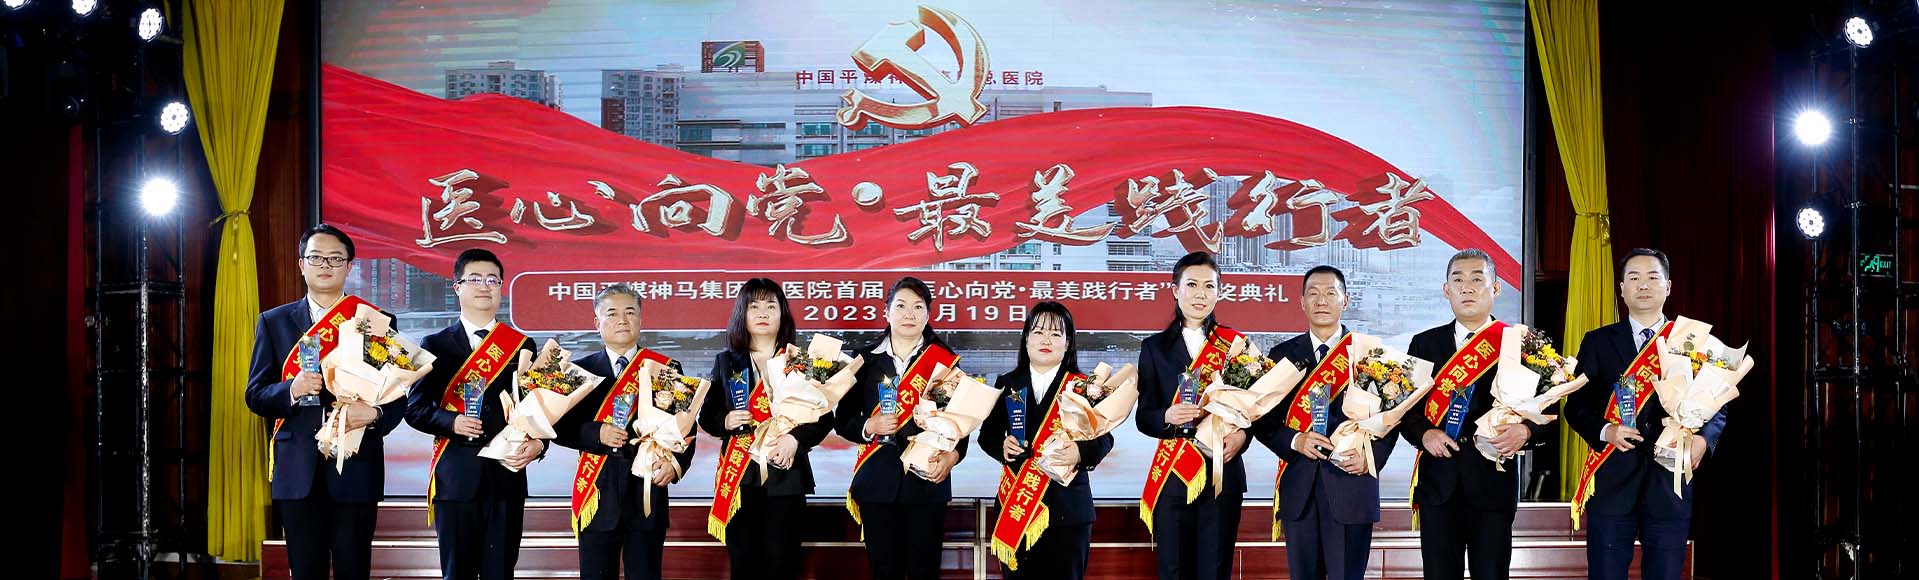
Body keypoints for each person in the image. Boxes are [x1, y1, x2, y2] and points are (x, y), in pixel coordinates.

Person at [244, 225, 403, 580]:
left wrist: (374, 414)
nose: (325, 265)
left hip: (356, 468)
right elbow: (255, 395)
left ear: (350, 266)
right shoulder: (274, 322)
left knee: (353, 570)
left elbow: (398, 399)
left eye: (335, 258)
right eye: (316, 258)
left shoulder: (375, 321)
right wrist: (292, 389)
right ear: (302, 265)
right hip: (297, 471)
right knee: (305, 571)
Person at [1566, 248, 1727, 580]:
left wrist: (1703, 441)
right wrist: (1605, 431)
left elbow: (1718, 401)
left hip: (1670, 482)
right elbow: (1575, 406)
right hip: (1613, 480)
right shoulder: (1598, 342)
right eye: (1634, 278)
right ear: (1622, 289)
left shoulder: (1692, 341)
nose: (1643, 285)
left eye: (1653, 277)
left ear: (1668, 286)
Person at [1399, 249, 1549, 580]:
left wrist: (1525, 431)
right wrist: (1425, 433)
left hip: (1493, 482)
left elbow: (1549, 408)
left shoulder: (1520, 343)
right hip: (1439, 484)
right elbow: (1405, 410)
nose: (1467, 288)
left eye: (1477, 279)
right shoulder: (1424, 344)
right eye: (1458, 280)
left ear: (1495, 288)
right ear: (1446, 290)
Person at [404, 248, 539, 580]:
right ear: (457, 287)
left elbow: (538, 409)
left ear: (501, 288)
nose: (484, 286)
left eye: (493, 280)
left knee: (501, 572)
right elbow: (415, 409)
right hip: (456, 479)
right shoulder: (434, 344)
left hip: (506, 476)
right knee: (457, 573)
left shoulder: (521, 345)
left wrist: (539, 444)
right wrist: (451, 422)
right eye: (475, 279)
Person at [1251, 265, 1388, 580]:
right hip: (1300, 489)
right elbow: (1263, 421)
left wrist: (1370, 457)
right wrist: (1295, 440)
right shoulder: (1282, 354)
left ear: (1345, 300)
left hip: (1352, 485)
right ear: (1302, 302)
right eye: (1313, 293)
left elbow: (1392, 419)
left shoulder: (1370, 353)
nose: (1321, 300)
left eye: (1330, 293)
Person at [551, 283, 696, 580]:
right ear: (597, 322)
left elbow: (686, 425)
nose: (622, 320)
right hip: (597, 494)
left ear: (641, 319)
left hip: (647, 494)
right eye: (612, 313)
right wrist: (596, 433)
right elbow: (558, 427)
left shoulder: (664, 367)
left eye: (630, 312)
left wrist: (675, 464)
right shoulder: (579, 371)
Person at [833, 277, 967, 580]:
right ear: (887, 312)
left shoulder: (945, 361)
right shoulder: (865, 361)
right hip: (877, 483)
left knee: (924, 572)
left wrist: (952, 457)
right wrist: (869, 425)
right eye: (901, 306)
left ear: (928, 315)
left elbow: (962, 422)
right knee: (884, 571)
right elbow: (843, 419)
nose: (909, 314)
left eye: (918, 307)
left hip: (927, 483)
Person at [1135, 251, 1255, 580]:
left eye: (1209, 286)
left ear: (1219, 292)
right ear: (1175, 290)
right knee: (1173, 570)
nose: (1200, 294)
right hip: (1174, 474)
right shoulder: (1154, 348)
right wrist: (1167, 415)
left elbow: (1253, 411)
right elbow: (1143, 417)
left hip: (1223, 473)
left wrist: (1242, 437)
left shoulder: (1235, 345)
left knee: (1215, 571)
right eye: (1192, 285)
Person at [978, 301, 1114, 579]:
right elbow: (987, 436)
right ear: (1026, 338)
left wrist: (1079, 452)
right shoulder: (1007, 383)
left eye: (1055, 333)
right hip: (1018, 505)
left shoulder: (1083, 387)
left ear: (1068, 342)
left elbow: (1105, 440)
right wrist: (1002, 447)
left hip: (1068, 510)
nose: (1046, 340)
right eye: (1038, 332)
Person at [697, 278, 820, 580]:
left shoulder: (798, 360)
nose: (763, 313)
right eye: (754, 306)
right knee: (744, 566)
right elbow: (707, 415)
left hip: (786, 476)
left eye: (770, 306)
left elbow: (823, 416)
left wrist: (795, 440)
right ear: (743, 314)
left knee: (783, 565)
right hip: (740, 478)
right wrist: (724, 421)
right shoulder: (727, 362)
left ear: (782, 314)